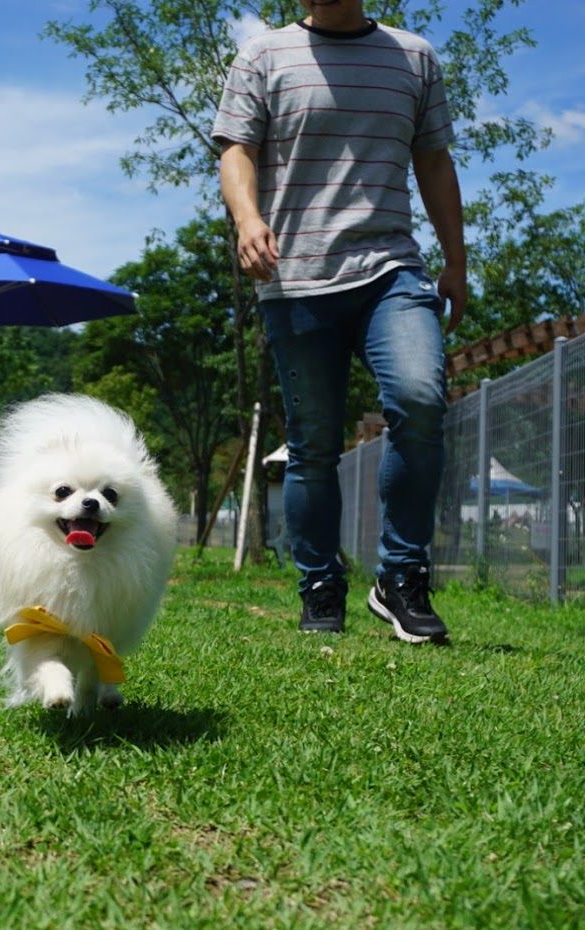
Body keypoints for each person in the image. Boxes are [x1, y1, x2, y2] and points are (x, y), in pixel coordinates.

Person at [212, 0, 465, 644]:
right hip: (295, 277)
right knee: (313, 444)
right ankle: (320, 585)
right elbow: (237, 149)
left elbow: (434, 161)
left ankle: (402, 577)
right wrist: (246, 220)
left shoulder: (414, 56)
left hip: (392, 268)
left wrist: (456, 262)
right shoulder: (263, 54)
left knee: (419, 397)